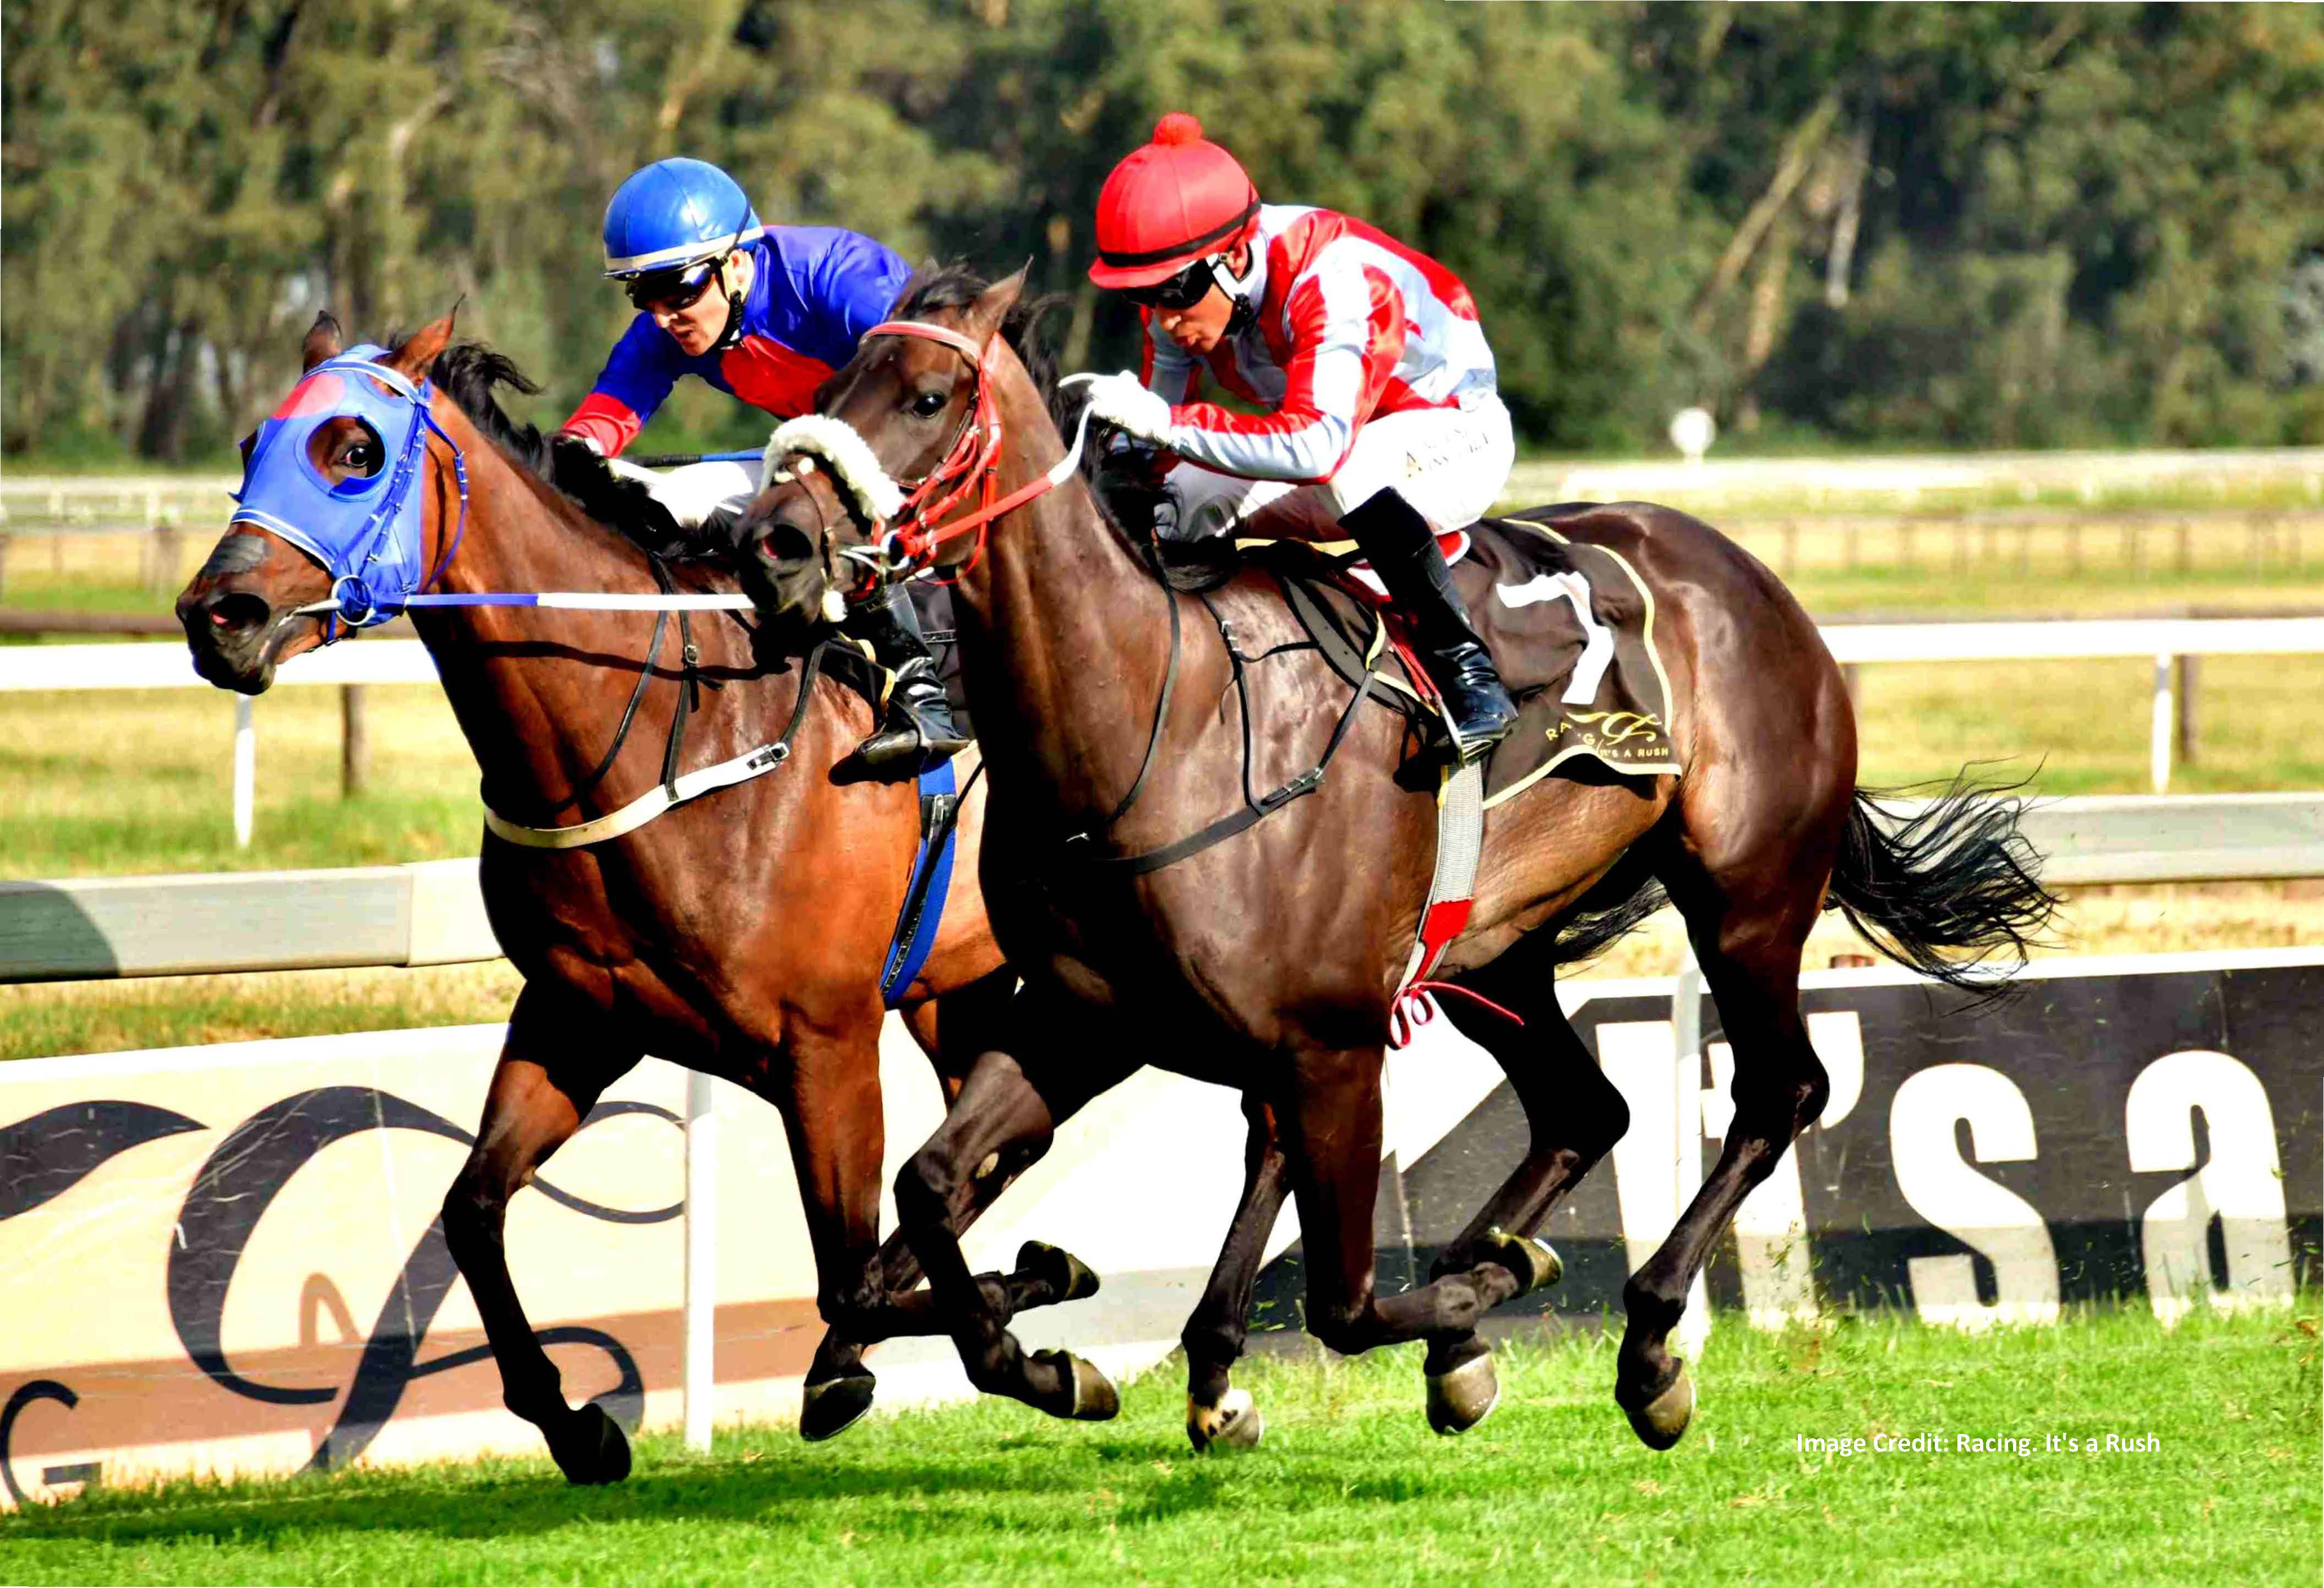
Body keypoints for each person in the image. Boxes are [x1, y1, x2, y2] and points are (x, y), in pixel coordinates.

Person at [1076, 114, 1519, 763]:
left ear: (1230, 256)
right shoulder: (1182, 300)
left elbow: (1314, 449)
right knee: (1176, 495)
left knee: (1347, 470)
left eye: (1174, 290)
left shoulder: (1332, 278)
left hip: (1456, 434)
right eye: (1142, 295)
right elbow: (1152, 446)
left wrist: (1161, 424)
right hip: (1346, 442)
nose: (1165, 320)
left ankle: (1466, 667)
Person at [564, 156, 965, 779]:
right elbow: (597, 427)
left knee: (804, 507)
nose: (664, 314)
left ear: (738, 262)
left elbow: (932, 384)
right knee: (665, 496)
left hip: (929, 453)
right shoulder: (664, 332)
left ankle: (921, 689)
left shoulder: (836, 278)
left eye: (679, 289)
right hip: (825, 462)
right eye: (643, 294)